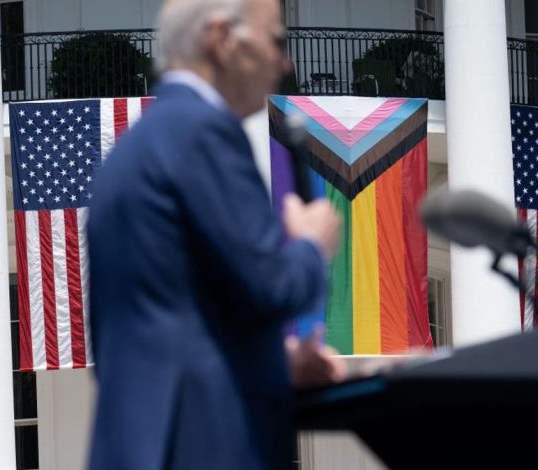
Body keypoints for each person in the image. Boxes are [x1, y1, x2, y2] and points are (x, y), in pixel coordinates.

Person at [86, 0, 345, 468]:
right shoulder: (203, 132)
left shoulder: (132, 150)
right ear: (222, 38)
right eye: (277, 40)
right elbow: (271, 286)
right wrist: (311, 244)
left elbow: (160, 325)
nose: (285, 62)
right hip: (206, 444)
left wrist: (275, 359)